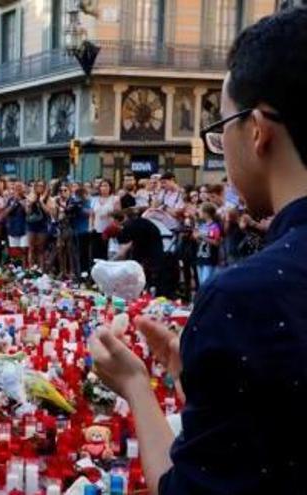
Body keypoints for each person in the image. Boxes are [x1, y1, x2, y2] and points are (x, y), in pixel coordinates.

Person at [91, 9, 307, 494]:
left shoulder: (249, 295)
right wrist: (199, 377)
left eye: (222, 126)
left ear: (257, 130)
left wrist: (134, 387)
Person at [112, 208, 165, 294]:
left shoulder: (130, 225)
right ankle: (150, 290)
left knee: (145, 272)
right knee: (151, 273)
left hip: (148, 250)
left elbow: (124, 241)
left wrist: (117, 231)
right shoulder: (142, 222)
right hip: (152, 249)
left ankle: (145, 290)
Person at [194, 202, 222, 285]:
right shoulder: (202, 225)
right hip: (200, 257)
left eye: (200, 211)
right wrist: (197, 237)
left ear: (206, 213)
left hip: (210, 259)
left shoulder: (215, 226)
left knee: (206, 283)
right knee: (201, 283)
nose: (198, 212)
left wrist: (203, 237)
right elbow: (199, 242)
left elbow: (217, 243)